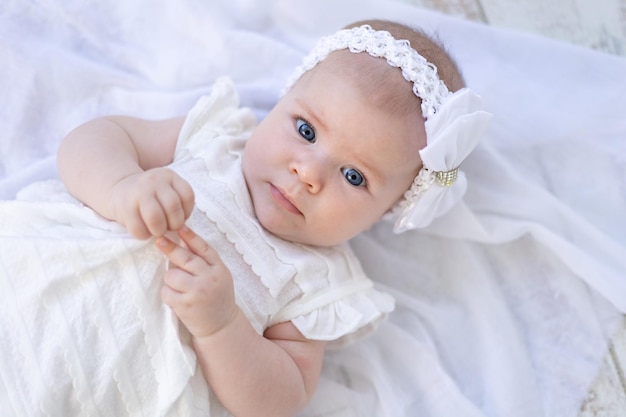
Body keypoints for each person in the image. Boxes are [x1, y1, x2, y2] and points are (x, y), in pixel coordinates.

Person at [0, 19, 490, 417]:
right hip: (32, 288)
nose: (308, 172)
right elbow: (94, 139)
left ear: (388, 211)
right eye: (305, 130)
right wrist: (121, 186)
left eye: (354, 176)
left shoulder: (320, 282)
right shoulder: (217, 138)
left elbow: (280, 400)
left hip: (105, 391)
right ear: (282, 98)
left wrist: (221, 325)